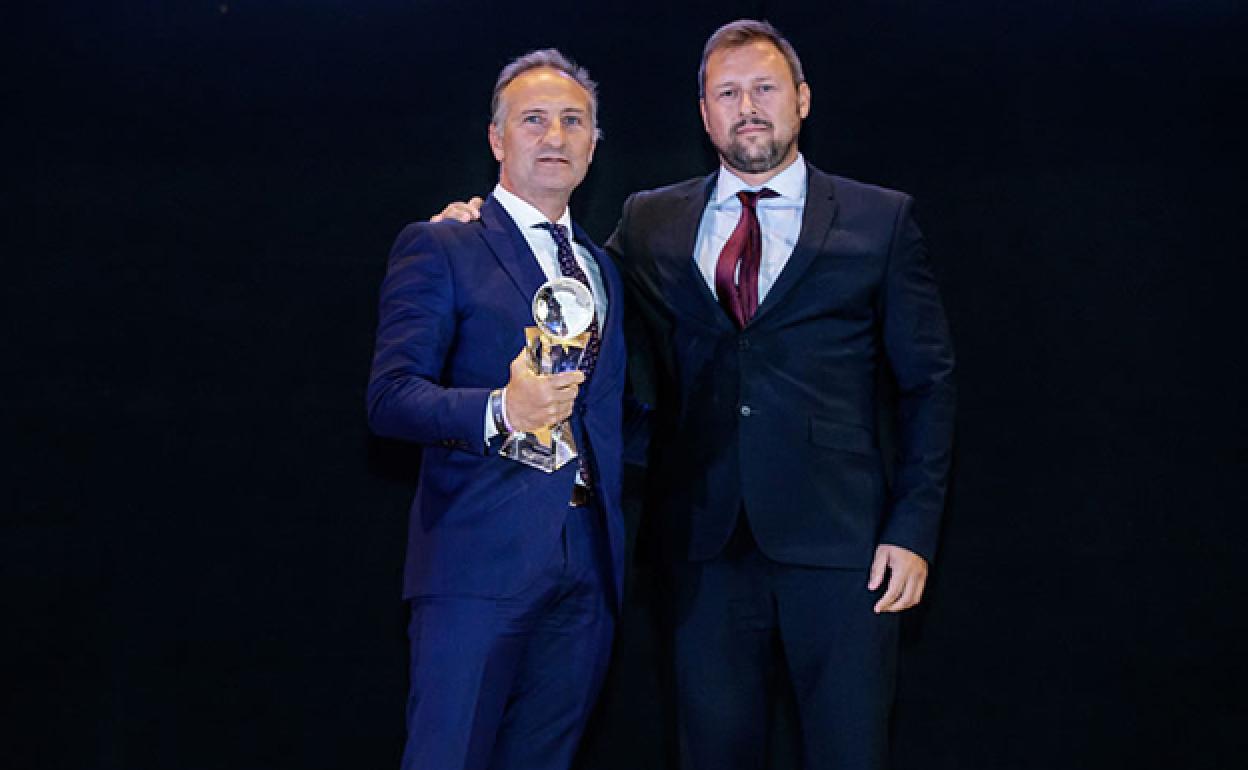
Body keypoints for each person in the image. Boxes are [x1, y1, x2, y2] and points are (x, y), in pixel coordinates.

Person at [435, 19, 955, 770]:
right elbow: (562, 285)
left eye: (765, 88)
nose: (748, 107)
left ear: (803, 99)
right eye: (728, 93)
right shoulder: (652, 219)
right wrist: (476, 228)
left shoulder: (881, 220)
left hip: (846, 551)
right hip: (700, 550)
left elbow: (928, 386)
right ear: (705, 112)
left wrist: (911, 530)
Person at [367, 49, 628, 770]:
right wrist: (501, 410)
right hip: (476, 567)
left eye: (573, 122)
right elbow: (390, 400)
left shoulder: (603, 268)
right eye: (534, 120)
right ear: (496, 139)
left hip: (587, 570)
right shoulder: (444, 244)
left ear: (594, 143)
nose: (555, 137)